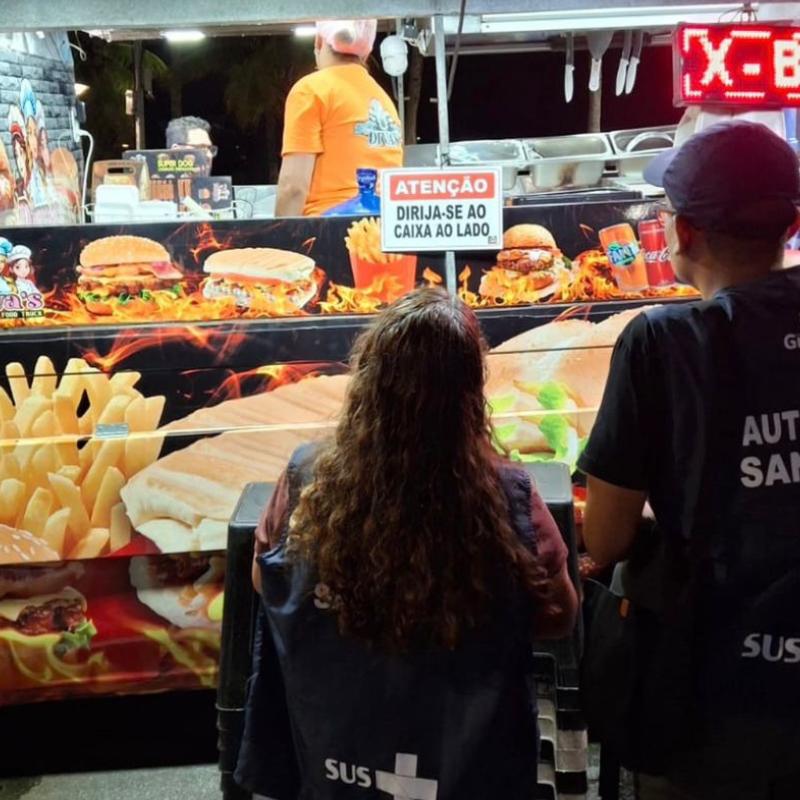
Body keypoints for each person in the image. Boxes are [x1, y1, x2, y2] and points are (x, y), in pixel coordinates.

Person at [237, 288, 577, 799]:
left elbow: (266, 580)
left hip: (337, 759)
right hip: (464, 769)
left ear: (368, 383)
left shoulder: (306, 476)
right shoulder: (512, 497)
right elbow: (558, 617)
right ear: (469, 393)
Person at [579, 120, 800, 800]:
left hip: (718, 693)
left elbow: (605, 537)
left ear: (683, 235)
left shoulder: (663, 342)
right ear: (790, 224)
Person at [275, 18, 403, 217]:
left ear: (318, 41)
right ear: (367, 52)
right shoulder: (383, 100)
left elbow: (293, 188)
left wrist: (276, 242)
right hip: (386, 233)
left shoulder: (310, 90)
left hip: (329, 234)